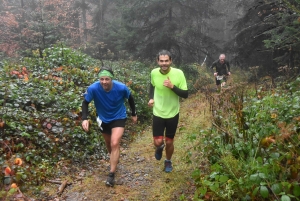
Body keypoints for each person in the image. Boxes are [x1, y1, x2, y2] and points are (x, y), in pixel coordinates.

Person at [81, 66, 137, 187]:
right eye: (101, 79)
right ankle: (114, 159)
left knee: (115, 142)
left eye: (107, 79)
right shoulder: (93, 88)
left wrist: (133, 113)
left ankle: (111, 174)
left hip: (119, 117)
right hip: (103, 119)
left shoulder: (121, 87)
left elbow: (130, 98)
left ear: (111, 79)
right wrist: (84, 119)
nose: (104, 82)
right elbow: (85, 102)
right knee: (109, 144)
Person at [148, 50, 188, 173]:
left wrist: (172, 87)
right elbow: (152, 86)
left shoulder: (179, 73)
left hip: (173, 113)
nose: (164, 63)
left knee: (169, 141)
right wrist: (151, 98)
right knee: (158, 141)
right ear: (157, 61)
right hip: (158, 112)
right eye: (161, 61)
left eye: (166, 61)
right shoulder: (154, 72)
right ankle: (159, 148)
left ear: (170, 61)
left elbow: (185, 94)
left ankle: (168, 161)